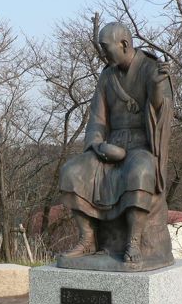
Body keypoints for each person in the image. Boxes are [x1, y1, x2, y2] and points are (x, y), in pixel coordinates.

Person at [59, 22, 173, 265]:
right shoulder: (107, 75)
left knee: (140, 172)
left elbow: (160, 111)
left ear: (123, 44)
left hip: (142, 145)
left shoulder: (150, 68)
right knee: (72, 171)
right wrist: (97, 144)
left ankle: (133, 241)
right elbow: (98, 118)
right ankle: (88, 238)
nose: (102, 54)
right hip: (111, 144)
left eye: (105, 47)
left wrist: (156, 86)